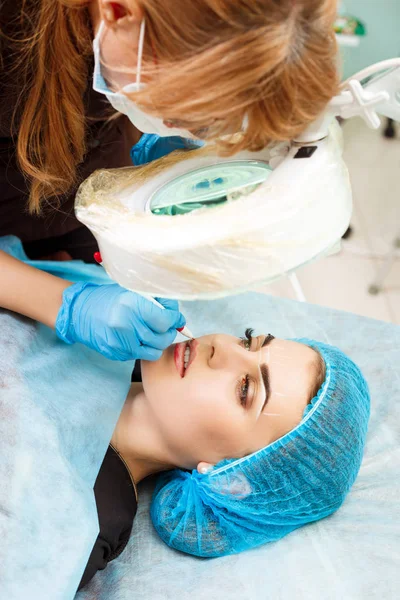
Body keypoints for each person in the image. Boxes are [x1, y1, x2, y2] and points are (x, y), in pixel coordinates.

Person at [0, 0, 339, 362]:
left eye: (211, 121)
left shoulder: (136, 43)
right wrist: (60, 303)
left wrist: (156, 151)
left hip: (74, 202)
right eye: (180, 111)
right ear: (116, 10)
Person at [78, 329, 370, 590]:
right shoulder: (108, 332)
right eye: (247, 341)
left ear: (228, 477)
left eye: (245, 390)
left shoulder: (86, 522)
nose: (221, 347)